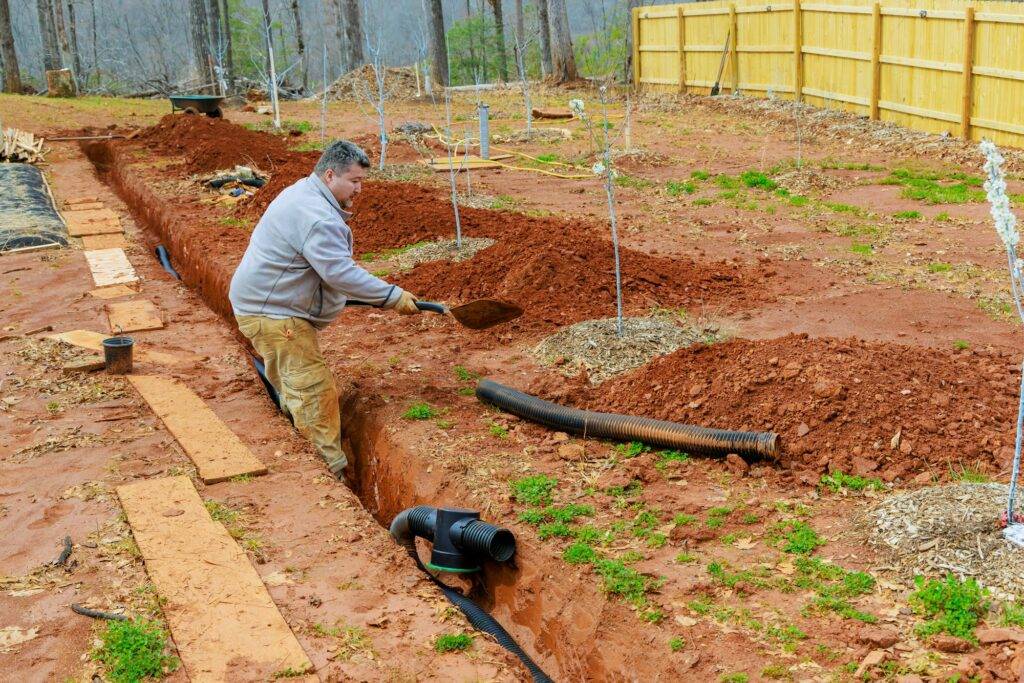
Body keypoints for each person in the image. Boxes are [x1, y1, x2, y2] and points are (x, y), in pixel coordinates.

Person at [229, 140, 420, 478]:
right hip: (273, 315)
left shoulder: (304, 193)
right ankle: (329, 473)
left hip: (264, 304)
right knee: (314, 390)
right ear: (330, 175)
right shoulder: (317, 217)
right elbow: (339, 272)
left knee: (296, 382)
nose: (359, 189)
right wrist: (392, 296)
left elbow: (322, 271)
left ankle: (299, 435)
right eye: (354, 181)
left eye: (362, 181)